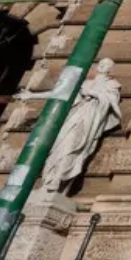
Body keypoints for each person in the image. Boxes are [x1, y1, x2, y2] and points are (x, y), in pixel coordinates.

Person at [18, 58, 122, 193]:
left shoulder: (113, 85)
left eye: (107, 65)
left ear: (111, 69)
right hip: (72, 116)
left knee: (72, 147)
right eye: (101, 63)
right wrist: (32, 95)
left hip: (88, 120)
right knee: (57, 147)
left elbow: (111, 102)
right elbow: (61, 94)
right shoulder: (86, 83)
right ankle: (48, 181)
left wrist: (92, 93)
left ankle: (58, 181)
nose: (102, 66)